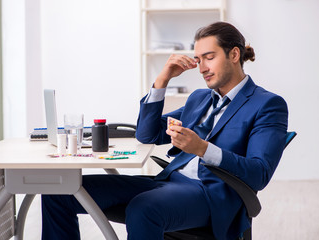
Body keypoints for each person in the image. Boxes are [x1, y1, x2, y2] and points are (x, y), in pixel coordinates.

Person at [41, 22, 288, 240]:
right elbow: (147, 135)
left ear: (234, 54)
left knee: (144, 208)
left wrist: (202, 149)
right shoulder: (199, 99)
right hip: (168, 182)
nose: (202, 68)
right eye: (199, 59)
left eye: (209, 57)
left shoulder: (266, 104)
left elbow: (259, 173)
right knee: (59, 193)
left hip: (212, 196)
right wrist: (162, 81)